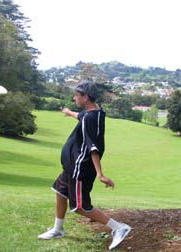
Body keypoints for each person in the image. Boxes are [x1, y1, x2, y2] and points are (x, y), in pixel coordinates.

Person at [38, 80, 131, 250]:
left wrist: (100, 174)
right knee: (59, 192)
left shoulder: (91, 118)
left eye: (76, 96)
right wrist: (68, 112)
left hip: (81, 169)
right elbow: (80, 116)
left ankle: (119, 227)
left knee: (80, 206)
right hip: (71, 166)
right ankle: (58, 229)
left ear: (86, 97)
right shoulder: (91, 113)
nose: (74, 98)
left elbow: (93, 148)